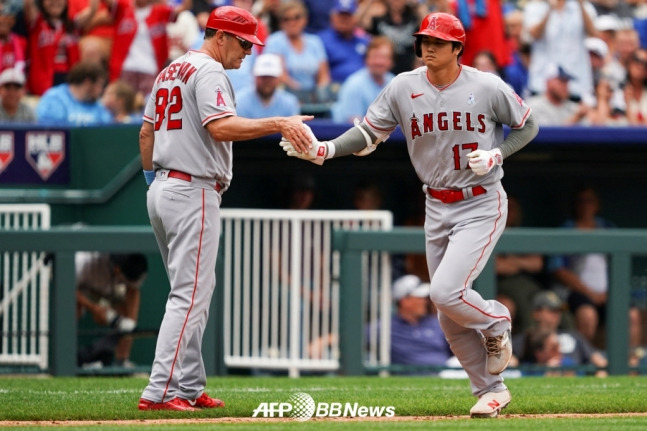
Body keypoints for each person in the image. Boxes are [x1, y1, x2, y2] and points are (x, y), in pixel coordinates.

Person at [279, 12, 539, 418]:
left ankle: (496, 319)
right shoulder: (403, 86)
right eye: (423, 40)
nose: (428, 47)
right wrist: (325, 150)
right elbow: (368, 133)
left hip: (480, 199)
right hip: (435, 203)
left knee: (445, 292)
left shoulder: (486, 85)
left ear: (458, 48)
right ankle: (491, 390)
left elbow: (528, 125)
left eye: (438, 41)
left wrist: (497, 153)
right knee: (448, 314)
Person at [137, 5, 313, 411]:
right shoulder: (209, 70)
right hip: (191, 188)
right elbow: (220, 127)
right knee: (190, 294)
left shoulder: (170, 69)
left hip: (164, 187)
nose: (248, 51)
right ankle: (161, 390)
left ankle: (189, 385)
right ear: (220, 36)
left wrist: (154, 184)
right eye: (244, 42)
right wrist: (278, 122)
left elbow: (146, 132)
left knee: (194, 291)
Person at [547, 185, 643, 352]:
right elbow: (557, 268)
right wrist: (590, 293)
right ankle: (588, 361)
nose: (585, 205)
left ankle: (631, 363)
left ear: (597, 205)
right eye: (581, 201)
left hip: (608, 293)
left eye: (590, 201)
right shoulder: (567, 230)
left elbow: (620, 262)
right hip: (576, 294)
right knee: (587, 315)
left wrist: (611, 291)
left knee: (632, 315)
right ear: (575, 205)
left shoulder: (607, 228)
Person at [365, 274, 453, 374]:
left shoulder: (437, 323)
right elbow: (356, 342)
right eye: (420, 298)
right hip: (412, 377)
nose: (424, 302)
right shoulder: (384, 327)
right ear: (404, 301)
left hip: (448, 372)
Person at [76, 252, 148, 368]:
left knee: (127, 320)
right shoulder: (84, 262)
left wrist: (130, 325)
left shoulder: (132, 266)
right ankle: (67, 359)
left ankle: (122, 360)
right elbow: (68, 287)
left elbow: (133, 291)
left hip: (111, 292)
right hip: (82, 288)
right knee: (73, 309)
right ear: (117, 268)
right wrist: (94, 308)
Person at [512, 290, 608, 376]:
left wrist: (600, 376)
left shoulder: (574, 335)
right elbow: (511, 365)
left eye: (559, 311)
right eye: (552, 310)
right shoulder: (524, 339)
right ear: (536, 313)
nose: (557, 315)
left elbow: (599, 361)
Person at [523, 0, 598, 103]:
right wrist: (550, 9)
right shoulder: (535, 7)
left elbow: (593, 33)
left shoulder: (584, 6)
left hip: (575, 81)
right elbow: (535, 33)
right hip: (543, 80)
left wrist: (581, 4)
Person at [263, 1, 332, 106]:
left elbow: (323, 75)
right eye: (286, 19)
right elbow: (279, 74)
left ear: (305, 19)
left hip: (313, 97)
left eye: (297, 17)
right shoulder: (275, 41)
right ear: (281, 22)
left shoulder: (315, 42)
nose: (292, 22)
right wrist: (301, 93)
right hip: (285, 95)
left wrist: (319, 92)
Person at [495, 195, 544, 337]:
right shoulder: (490, 231)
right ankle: (528, 335)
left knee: (547, 300)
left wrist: (513, 261)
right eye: (505, 207)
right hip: (500, 284)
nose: (509, 212)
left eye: (512, 209)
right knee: (515, 299)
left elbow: (537, 263)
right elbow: (497, 266)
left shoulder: (522, 233)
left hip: (527, 284)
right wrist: (522, 262)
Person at [331, 35, 395, 123]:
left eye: (384, 57)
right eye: (375, 57)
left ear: (391, 62)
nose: (379, 62)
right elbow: (354, 124)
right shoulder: (354, 84)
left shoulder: (396, 83)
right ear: (367, 59)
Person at [36, 60, 112, 126]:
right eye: (100, 85)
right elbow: (52, 129)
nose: (101, 90)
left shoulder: (97, 105)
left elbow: (106, 127)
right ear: (87, 82)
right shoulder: (54, 99)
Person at [318, 0, 371, 90]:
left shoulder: (365, 41)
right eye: (341, 15)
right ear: (332, 17)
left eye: (348, 16)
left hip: (365, 89)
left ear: (355, 18)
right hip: (335, 90)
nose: (344, 19)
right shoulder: (320, 40)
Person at [235, 53, 301, 118]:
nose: (267, 82)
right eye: (263, 77)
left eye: (271, 78)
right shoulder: (240, 101)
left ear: (278, 78)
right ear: (255, 77)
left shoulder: (290, 103)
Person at [525, 64, 590, 125]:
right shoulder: (533, 106)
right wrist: (576, 117)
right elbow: (549, 134)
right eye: (562, 81)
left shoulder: (573, 107)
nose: (565, 86)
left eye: (567, 82)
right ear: (548, 82)